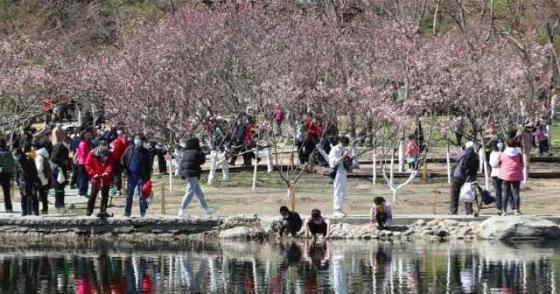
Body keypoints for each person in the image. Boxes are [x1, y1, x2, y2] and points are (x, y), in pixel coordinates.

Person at [178, 137, 215, 217]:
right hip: (193, 173)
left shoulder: (186, 152)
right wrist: (202, 151)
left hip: (187, 173)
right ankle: (182, 209)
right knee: (190, 191)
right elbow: (202, 161)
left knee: (199, 194)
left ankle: (206, 209)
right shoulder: (197, 152)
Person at [123, 135, 151, 217]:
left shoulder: (146, 152)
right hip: (131, 175)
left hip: (142, 176)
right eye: (136, 139)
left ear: (142, 142)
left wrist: (148, 177)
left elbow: (148, 165)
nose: (138, 141)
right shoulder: (129, 149)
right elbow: (123, 159)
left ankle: (143, 212)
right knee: (129, 195)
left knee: (142, 195)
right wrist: (125, 170)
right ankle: (127, 212)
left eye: (140, 140)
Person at [449, 141, 479, 215]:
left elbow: (455, 158)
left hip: (458, 175)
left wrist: (460, 150)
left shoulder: (463, 153)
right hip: (470, 177)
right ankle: (469, 211)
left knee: (454, 193)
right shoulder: (476, 156)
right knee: (468, 193)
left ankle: (453, 210)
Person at [85, 144, 114, 217]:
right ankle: (89, 210)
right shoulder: (92, 153)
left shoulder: (110, 154)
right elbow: (88, 164)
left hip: (105, 177)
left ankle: (103, 211)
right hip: (95, 176)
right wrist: (93, 173)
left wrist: (107, 172)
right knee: (93, 194)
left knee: (105, 195)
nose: (103, 157)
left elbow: (111, 164)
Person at [499, 139, 524, 216]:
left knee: (505, 193)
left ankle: (504, 210)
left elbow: (500, 162)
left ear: (507, 144)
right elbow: (522, 164)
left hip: (506, 175)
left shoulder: (503, 153)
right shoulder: (519, 154)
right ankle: (517, 210)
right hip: (516, 175)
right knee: (516, 192)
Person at [328, 136, 351, 218]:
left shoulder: (343, 149)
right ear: (340, 142)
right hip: (337, 172)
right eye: (344, 144)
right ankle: (336, 209)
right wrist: (344, 156)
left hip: (343, 172)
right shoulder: (335, 150)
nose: (345, 146)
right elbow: (334, 162)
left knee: (343, 191)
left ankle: (340, 208)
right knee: (338, 190)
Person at [14, 146, 40, 216]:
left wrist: (36, 180)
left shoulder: (28, 158)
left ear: (20, 153)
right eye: (16, 155)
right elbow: (16, 171)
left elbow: (34, 170)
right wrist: (17, 180)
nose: (17, 156)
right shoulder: (18, 161)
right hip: (23, 181)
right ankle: (25, 211)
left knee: (33, 195)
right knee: (24, 196)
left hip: (30, 180)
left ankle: (35, 211)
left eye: (17, 154)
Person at [50, 138, 71, 211]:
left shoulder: (64, 147)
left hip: (62, 169)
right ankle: (58, 204)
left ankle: (61, 203)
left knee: (61, 187)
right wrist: (63, 161)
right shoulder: (59, 147)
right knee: (58, 188)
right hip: (57, 170)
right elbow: (53, 158)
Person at [110, 129, 128, 196]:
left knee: (114, 175)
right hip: (117, 160)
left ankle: (116, 189)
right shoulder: (122, 141)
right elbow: (126, 150)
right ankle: (117, 190)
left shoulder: (115, 141)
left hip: (112, 160)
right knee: (117, 175)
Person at [489, 141, 505, 215]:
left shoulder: (505, 153)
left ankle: (512, 207)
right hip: (496, 175)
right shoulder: (493, 154)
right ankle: (499, 207)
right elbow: (493, 165)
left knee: (506, 192)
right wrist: (499, 157)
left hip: (504, 174)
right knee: (498, 192)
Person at [34, 147, 51, 214]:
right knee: (44, 195)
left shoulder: (39, 157)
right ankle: (45, 209)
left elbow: (39, 168)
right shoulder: (45, 157)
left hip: (39, 178)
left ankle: (35, 210)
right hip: (45, 179)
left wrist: (33, 172)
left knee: (35, 194)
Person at [77, 130, 93, 197]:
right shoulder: (83, 143)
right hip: (83, 163)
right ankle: (82, 191)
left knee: (85, 178)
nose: (89, 137)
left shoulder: (87, 143)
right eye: (87, 136)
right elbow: (84, 154)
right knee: (83, 177)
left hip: (86, 162)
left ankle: (84, 191)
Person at [0, 139, 15, 213]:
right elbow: (12, 165)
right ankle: (9, 208)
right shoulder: (9, 153)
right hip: (7, 175)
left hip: (1, 173)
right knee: (7, 193)